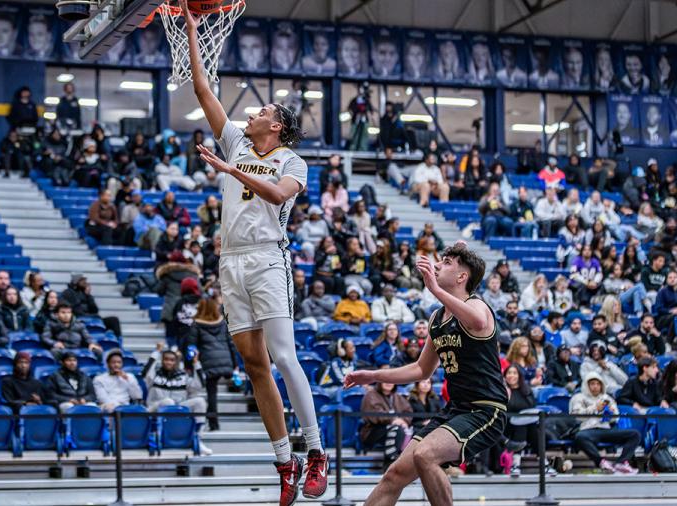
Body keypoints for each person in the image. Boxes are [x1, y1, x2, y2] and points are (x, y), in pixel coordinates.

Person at [181, 2, 327, 501]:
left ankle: (316, 450)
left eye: (262, 111)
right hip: (231, 260)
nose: (253, 113)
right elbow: (203, 90)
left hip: (268, 257)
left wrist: (231, 171)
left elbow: (280, 196)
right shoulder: (237, 143)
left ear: (278, 126)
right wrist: (192, 32)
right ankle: (284, 460)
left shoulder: (292, 161)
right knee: (253, 362)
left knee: (283, 355)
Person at [344, 242, 507, 506]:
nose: (437, 265)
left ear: (462, 277)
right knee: (395, 474)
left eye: (446, 263)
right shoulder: (436, 318)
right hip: (455, 410)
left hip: (485, 410)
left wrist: (434, 289)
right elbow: (421, 369)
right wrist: (374, 375)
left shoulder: (478, 306)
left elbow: (477, 322)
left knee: (426, 454)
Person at [143, 344, 212, 454]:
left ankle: (197, 439)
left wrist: (196, 362)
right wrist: (157, 351)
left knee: (200, 401)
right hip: (154, 408)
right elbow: (146, 373)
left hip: (176, 408)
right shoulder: (155, 375)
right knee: (168, 402)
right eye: (166, 359)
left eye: (172, 360)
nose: (168, 362)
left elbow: (199, 385)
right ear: (162, 360)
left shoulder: (182, 376)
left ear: (176, 362)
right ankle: (163, 437)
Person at [569, 373, 640, 475]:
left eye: (598, 384)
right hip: (588, 430)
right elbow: (577, 416)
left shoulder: (607, 398)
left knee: (635, 434)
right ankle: (602, 462)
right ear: (586, 385)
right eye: (592, 384)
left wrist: (611, 414)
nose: (595, 386)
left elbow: (615, 419)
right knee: (580, 437)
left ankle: (621, 463)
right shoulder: (579, 397)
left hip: (606, 429)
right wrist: (595, 408)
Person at [185, 297, 238, 431]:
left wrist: (189, 365)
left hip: (208, 362)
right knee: (212, 392)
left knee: (211, 392)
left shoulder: (196, 325)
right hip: (225, 360)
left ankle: (213, 423)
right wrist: (235, 364)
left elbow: (191, 347)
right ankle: (212, 420)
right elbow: (231, 343)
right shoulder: (223, 323)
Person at [361, 375, 414, 470]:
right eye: (386, 381)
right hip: (373, 431)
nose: (389, 383)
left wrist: (403, 420)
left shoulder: (397, 397)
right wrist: (393, 420)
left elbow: (408, 412)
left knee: (405, 429)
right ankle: (389, 462)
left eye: (391, 381)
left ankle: (401, 462)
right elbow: (375, 415)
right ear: (380, 382)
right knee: (396, 429)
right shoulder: (371, 395)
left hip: (395, 429)